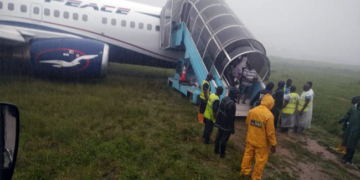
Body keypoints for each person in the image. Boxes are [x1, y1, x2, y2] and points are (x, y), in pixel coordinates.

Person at [240, 94, 277, 180]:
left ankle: (244, 173)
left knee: (247, 156)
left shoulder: (252, 111)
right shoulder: (269, 115)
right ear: (271, 104)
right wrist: (273, 144)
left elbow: (247, 123)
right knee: (260, 161)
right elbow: (270, 133)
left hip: (250, 139)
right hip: (262, 144)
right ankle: (256, 177)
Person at [214, 87, 240, 158]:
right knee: (224, 139)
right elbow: (231, 118)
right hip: (226, 125)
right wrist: (232, 128)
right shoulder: (232, 104)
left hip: (221, 122)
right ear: (233, 94)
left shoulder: (224, 99)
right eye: (237, 94)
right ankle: (222, 154)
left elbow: (220, 110)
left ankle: (216, 150)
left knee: (219, 135)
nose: (238, 96)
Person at [341, 96, 360, 164]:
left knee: (352, 144)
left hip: (357, 130)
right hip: (350, 127)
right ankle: (346, 155)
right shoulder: (353, 107)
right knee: (348, 141)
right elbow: (348, 115)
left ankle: (349, 159)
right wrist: (340, 120)